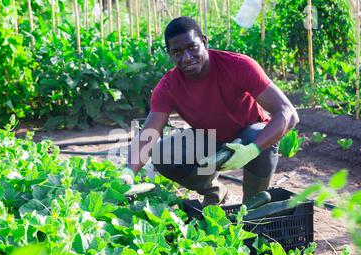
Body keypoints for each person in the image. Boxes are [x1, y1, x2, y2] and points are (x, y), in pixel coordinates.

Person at [119, 16, 299, 206]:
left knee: (251, 211)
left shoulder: (238, 65)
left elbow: (288, 113)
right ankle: (216, 191)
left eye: (192, 47)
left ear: (204, 41)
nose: (186, 57)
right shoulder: (168, 87)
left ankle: (252, 203)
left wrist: (252, 150)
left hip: (251, 138)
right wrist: (128, 172)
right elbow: (149, 134)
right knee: (162, 153)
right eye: (177, 52)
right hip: (210, 140)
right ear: (170, 54)